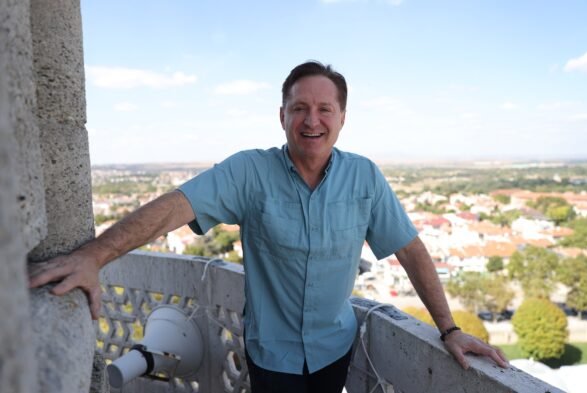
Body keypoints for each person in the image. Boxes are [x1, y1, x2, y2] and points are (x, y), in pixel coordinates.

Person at [29, 61, 508, 393]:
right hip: (269, 355)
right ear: (282, 116)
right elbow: (172, 208)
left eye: (325, 109)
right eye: (299, 107)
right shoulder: (248, 172)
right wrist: (95, 255)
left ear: (342, 119)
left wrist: (449, 330)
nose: (311, 119)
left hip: (333, 348)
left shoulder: (365, 177)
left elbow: (410, 251)